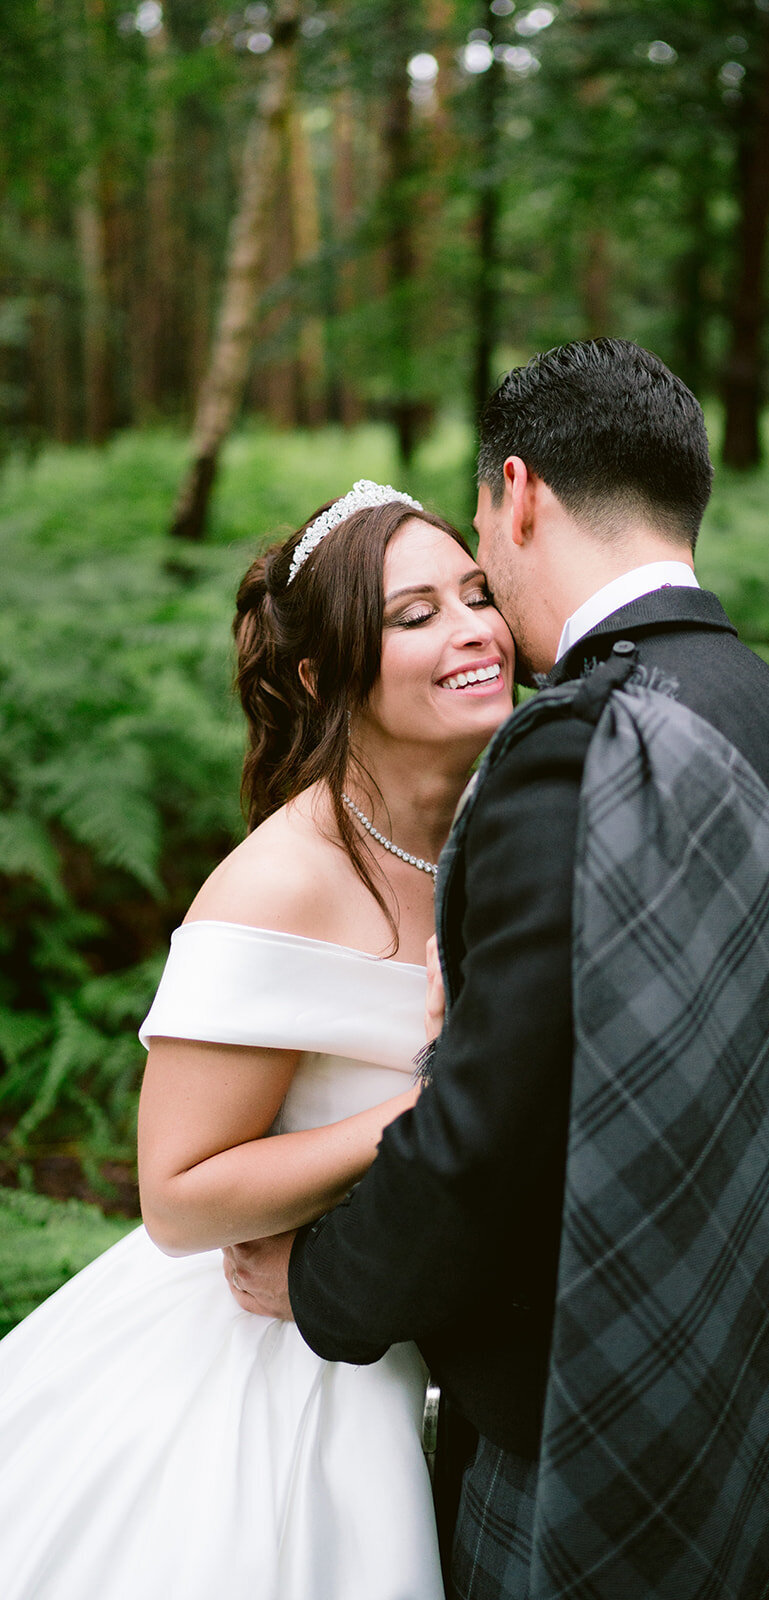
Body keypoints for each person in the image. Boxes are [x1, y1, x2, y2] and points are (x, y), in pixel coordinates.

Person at [229, 340, 769, 1600]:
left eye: (478, 541)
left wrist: (319, 1281)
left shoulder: (581, 746)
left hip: (596, 1419)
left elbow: (490, 1132)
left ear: (518, 492)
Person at [0, 480, 515, 1599]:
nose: (475, 629)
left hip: (442, 1323)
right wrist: (427, 1109)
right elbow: (178, 1195)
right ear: (320, 676)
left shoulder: (498, 820)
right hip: (281, 1354)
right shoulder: (278, 884)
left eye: (477, 593)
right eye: (415, 614)